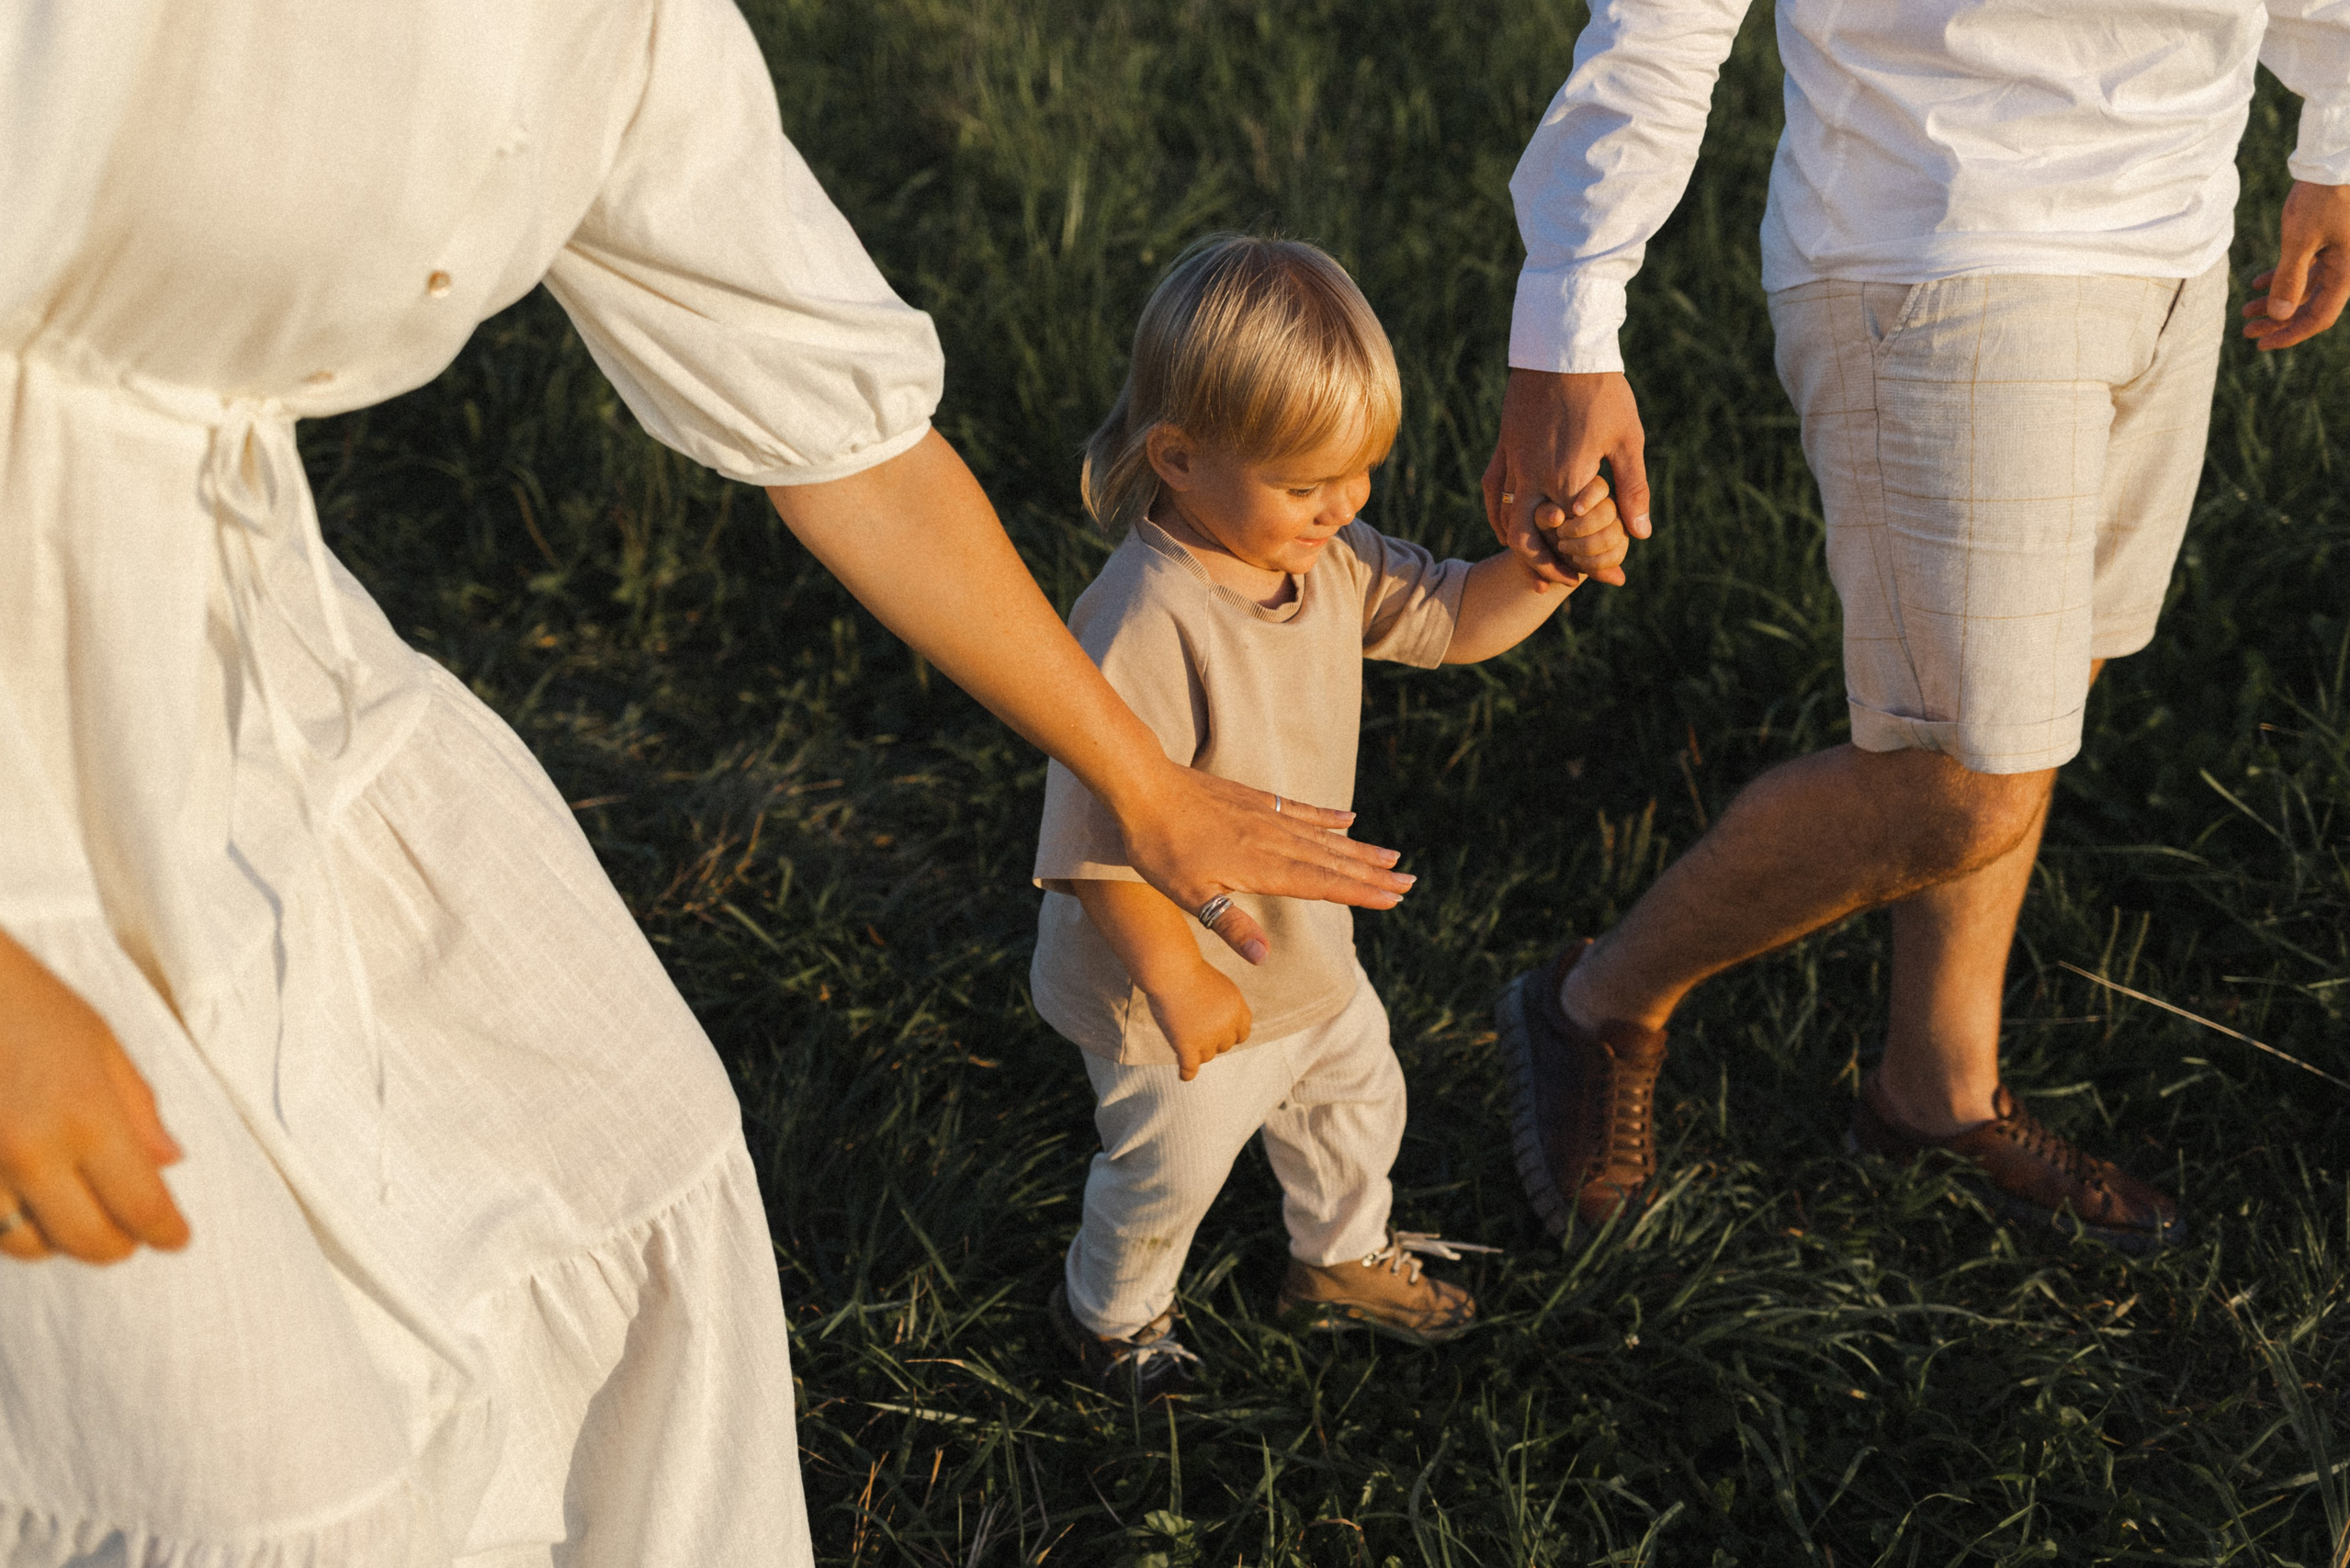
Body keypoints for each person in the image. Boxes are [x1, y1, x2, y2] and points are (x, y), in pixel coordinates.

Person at [0, 6, 1418, 1564]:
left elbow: (848, 442)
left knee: (636, 1171)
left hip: (237, 641)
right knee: (224, 1440)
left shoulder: (623, 28)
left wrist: (1143, 783)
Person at [1483, 0, 2350, 1254]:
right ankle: (1595, 1001)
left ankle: (1929, 1093)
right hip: (1937, 237)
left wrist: (2330, 123)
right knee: (1964, 778)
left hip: (2173, 225)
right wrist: (1565, 316)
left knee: (2042, 692)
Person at [1030, 236, 1629, 1395]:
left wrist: (1544, 572)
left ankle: (1339, 1259)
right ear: (1181, 458)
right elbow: (1098, 842)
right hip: (1172, 987)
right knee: (1167, 1172)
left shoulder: (1326, 559)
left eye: (1355, 476)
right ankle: (1109, 1318)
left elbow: (1452, 616)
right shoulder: (1143, 617)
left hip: (1305, 952)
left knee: (1359, 1100)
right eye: (1306, 485)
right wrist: (1176, 977)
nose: (1342, 506)